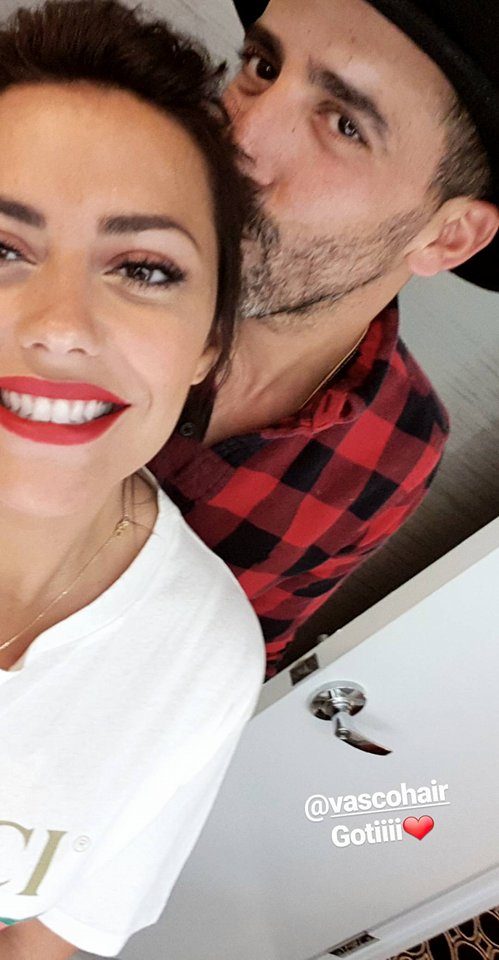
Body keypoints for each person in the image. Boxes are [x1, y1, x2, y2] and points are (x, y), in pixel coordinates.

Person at [0, 1, 265, 957]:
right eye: (1, 249)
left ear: (210, 344)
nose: (61, 325)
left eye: (146, 269)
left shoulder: (202, 655)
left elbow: (50, 938)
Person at [150, 0, 499, 680]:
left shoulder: (397, 448)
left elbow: (229, 662)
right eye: (262, 67)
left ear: (446, 236)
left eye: (344, 124)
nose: (239, 136)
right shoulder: (55, 251)